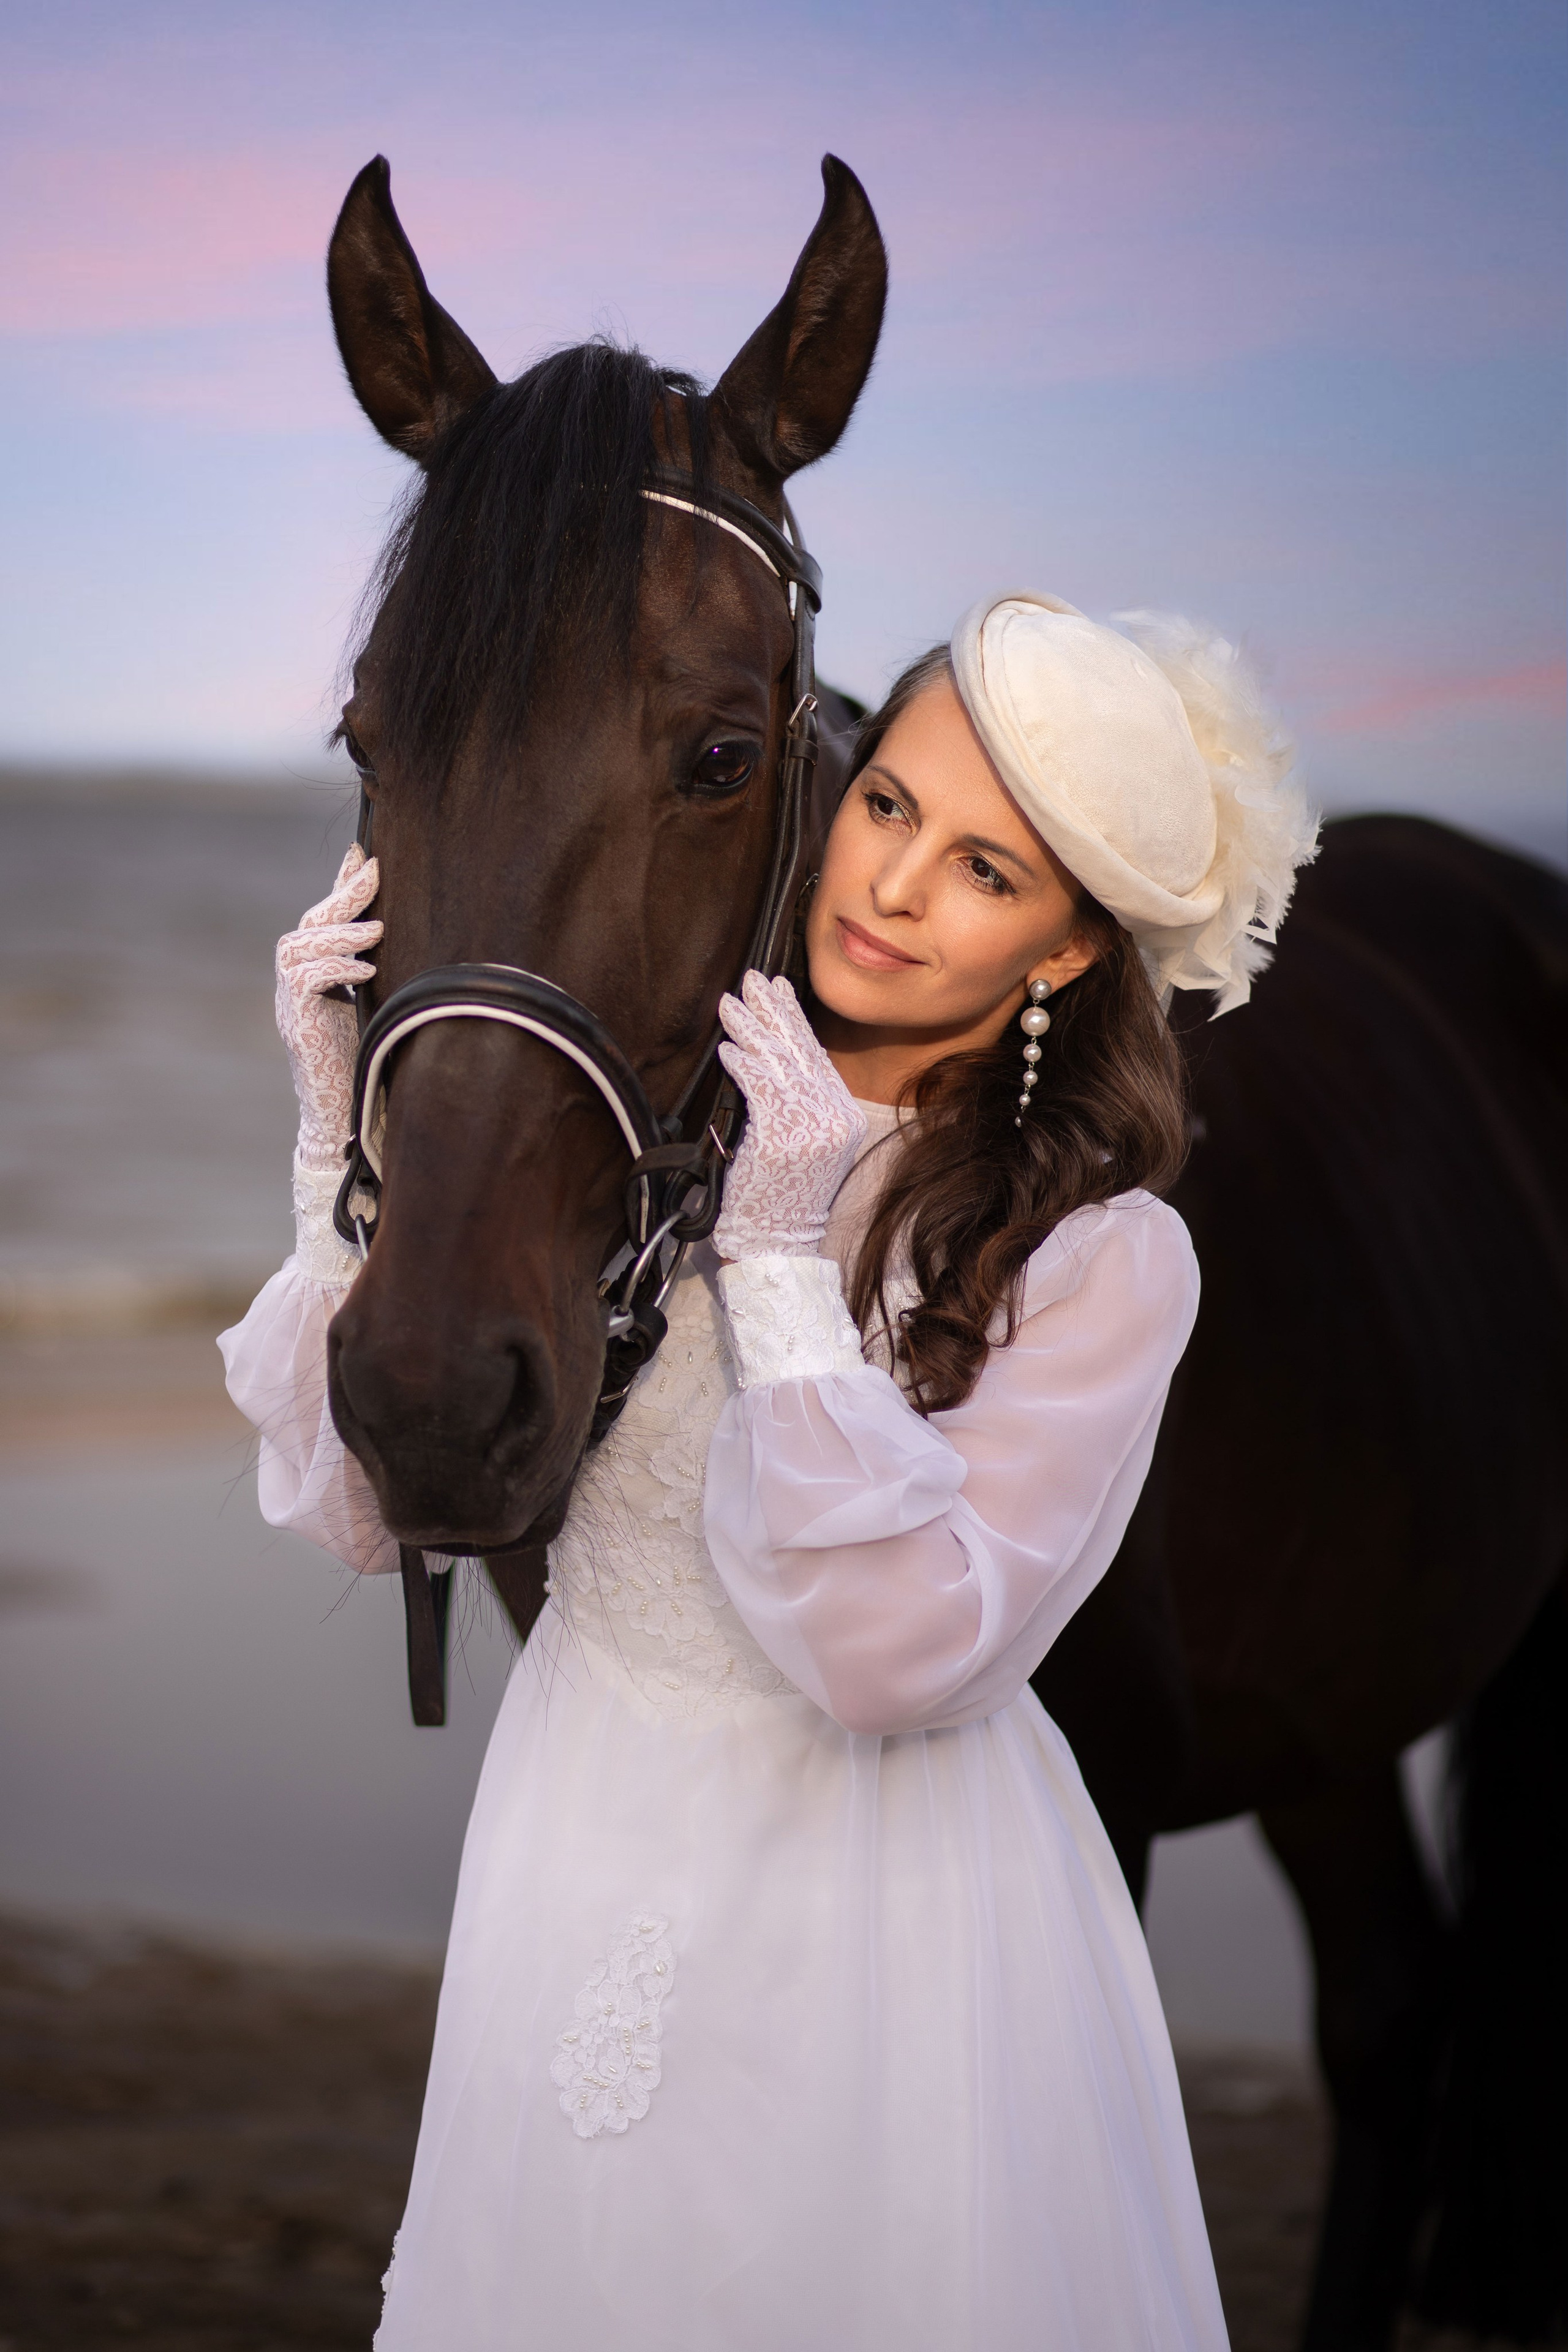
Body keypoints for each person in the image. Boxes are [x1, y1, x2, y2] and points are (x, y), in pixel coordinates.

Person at [221, 589, 1317, 2350]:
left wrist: (791, 1258)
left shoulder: (1101, 1262)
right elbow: (371, 1515)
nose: (892, 886)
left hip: (885, 1914)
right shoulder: (647, 1140)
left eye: (987, 869)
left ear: (1060, 953)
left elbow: (891, 1664)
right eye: (890, 805)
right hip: (577, 1844)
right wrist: (340, 1136)